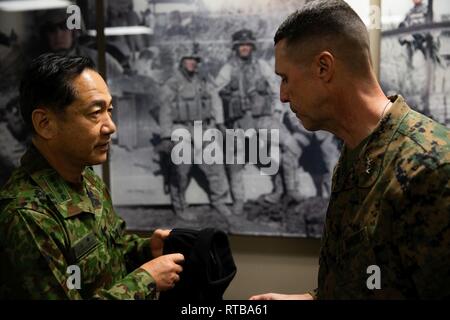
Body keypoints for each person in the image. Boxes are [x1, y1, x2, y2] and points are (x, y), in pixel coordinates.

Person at [250, 0, 450, 300]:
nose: (282, 95)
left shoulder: (431, 167)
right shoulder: (356, 154)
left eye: (286, 78)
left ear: (323, 67)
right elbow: (371, 280)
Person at [0, 53, 184, 299]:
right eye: (95, 113)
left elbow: (109, 251)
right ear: (45, 123)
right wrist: (145, 281)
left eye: (109, 110)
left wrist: (145, 250)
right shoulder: (27, 215)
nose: (110, 126)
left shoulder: (85, 178)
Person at [216, 29, 302, 215]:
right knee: (234, 160)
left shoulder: (262, 66)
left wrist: (277, 112)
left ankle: (290, 190)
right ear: (236, 48)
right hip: (240, 121)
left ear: (252, 46)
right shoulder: (227, 69)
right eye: (241, 45)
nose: (244, 48)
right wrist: (220, 122)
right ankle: (239, 200)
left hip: (264, 119)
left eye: (247, 45)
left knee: (291, 145)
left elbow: (276, 88)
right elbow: (216, 96)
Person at [158, 46, 232, 221]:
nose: (192, 63)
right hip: (180, 128)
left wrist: (219, 123)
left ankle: (219, 201)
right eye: (188, 59)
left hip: (202, 128)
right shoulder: (172, 83)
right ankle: (180, 206)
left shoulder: (204, 80)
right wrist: (166, 136)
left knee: (215, 166)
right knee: (181, 169)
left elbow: (215, 100)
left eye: (195, 60)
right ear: (182, 61)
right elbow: (165, 110)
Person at [37, 9, 124, 79]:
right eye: (51, 29)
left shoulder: (99, 59)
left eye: (64, 27)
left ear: (74, 32)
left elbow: (123, 84)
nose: (58, 34)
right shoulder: (39, 67)